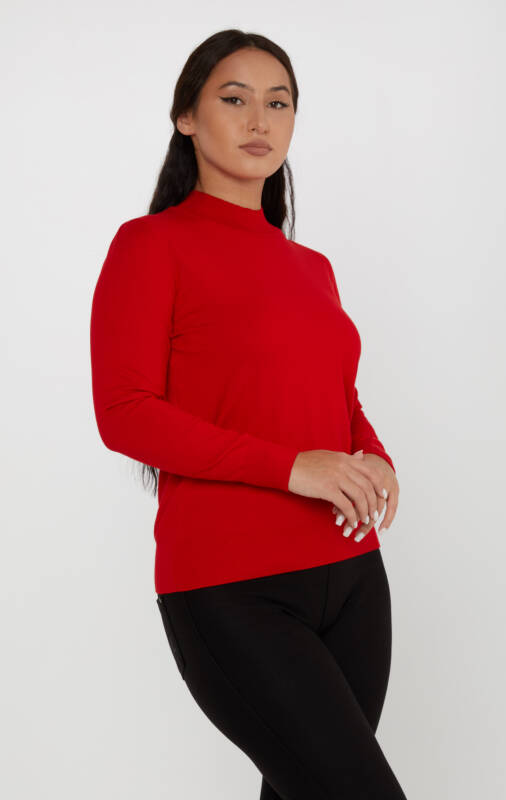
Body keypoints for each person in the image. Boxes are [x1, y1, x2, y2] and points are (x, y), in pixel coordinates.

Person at [90, 28, 407, 800]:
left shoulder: (311, 267)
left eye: (279, 103)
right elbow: (125, 414)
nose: (260, 120)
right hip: (233, 588)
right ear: (186, 118)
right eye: (234, 99)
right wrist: (293, 468)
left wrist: (374, 456)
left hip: (353, 576)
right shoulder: (150, 246)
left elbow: (337, 395)